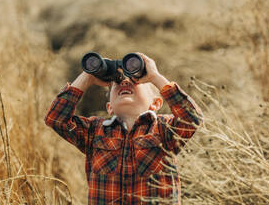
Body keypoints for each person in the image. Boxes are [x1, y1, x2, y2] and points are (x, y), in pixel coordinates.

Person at [44, 53, 203, 205]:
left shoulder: (163, 129)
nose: (125, 82)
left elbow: (192, 118)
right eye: (117, 83)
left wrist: (155, 76)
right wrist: (87, 77)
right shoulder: (94, 131)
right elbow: (56, 119)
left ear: (155, 103)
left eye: (135, 81)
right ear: (109, 107)